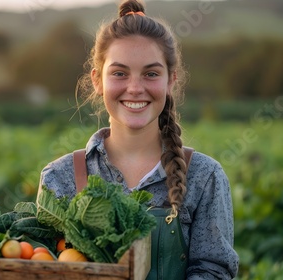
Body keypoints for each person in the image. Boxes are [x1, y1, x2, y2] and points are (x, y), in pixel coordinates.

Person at [38, 0, 239, 279]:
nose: (135, 88)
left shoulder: (204, 177)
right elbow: (42, 266)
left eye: (151, 74)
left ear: (171, 81)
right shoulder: (60, 178)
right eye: (119, 73)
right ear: (98, 80)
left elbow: (215, 271)